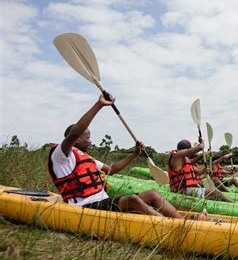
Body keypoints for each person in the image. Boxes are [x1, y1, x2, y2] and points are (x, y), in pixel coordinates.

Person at [48, 93, 206, 220]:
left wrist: (134, 154)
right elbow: (75, 132)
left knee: (152, 194)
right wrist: (99, 105)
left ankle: (181, 221)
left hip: (102, 201)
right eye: (87, 137)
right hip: (84, 206)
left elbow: (111, 169)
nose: (90, 141)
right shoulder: (61, 155)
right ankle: (173, 227)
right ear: (76, 139)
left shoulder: (86, 158)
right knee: (132, 200)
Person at [168, 139, 233, 202]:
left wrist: (205, 170)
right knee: (214, 193)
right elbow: (201, 147)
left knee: (214, 189)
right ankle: (234, 204)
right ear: (185, 149)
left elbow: (198, 166)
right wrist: (202, 141)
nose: (190, 153)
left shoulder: (183, 160)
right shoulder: (177, 156)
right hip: (182, 190)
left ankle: (230, 199)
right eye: (189, 149)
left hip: (190, 187)